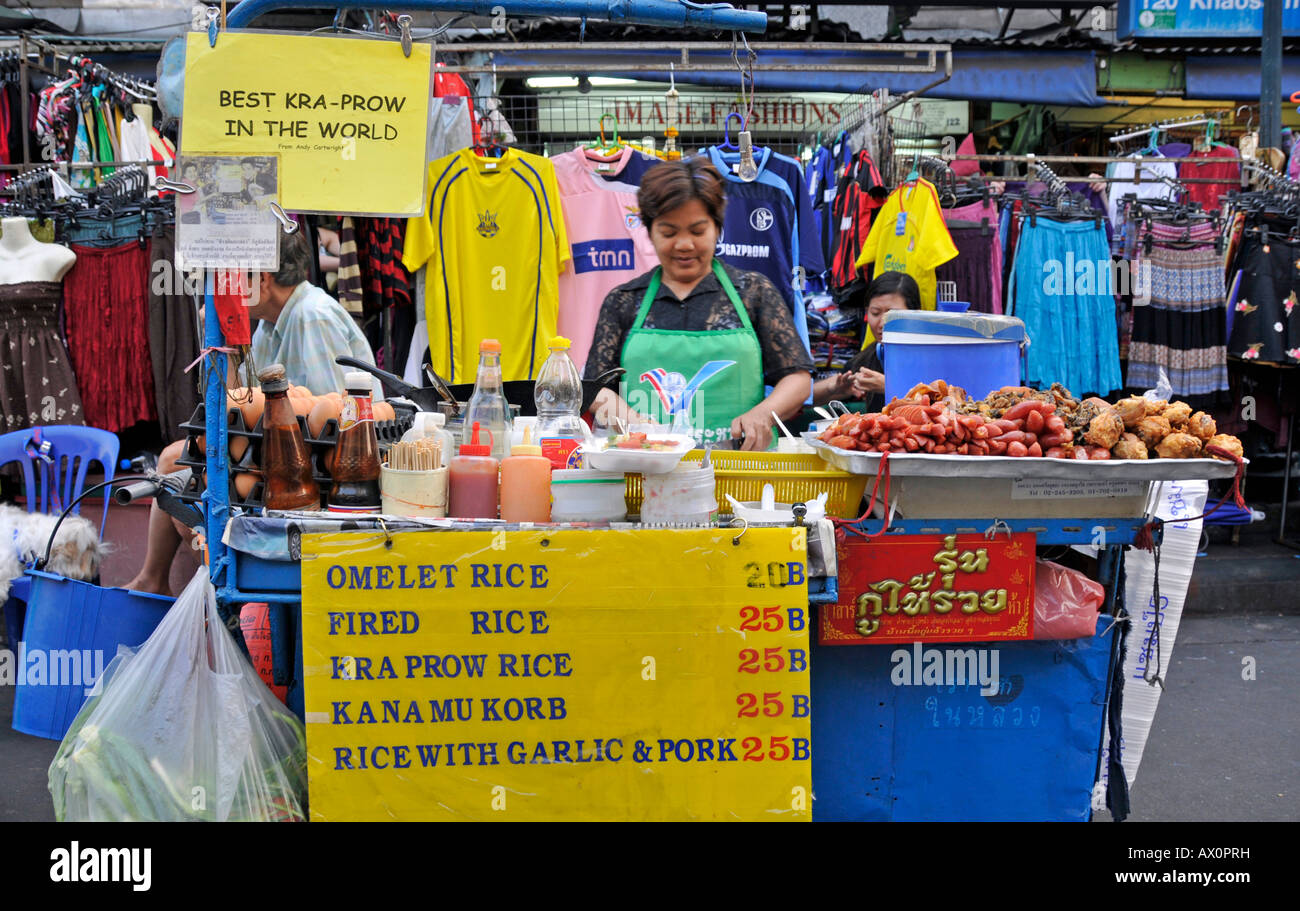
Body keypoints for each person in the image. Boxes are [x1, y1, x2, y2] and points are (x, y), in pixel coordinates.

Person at [126, 231, 375, 595]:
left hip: (321, 464)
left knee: (177, 466)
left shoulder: (311, 316)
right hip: (283, 450)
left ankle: (213, 586)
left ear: (262, 279)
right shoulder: (270, 325)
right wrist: (221, 343)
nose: (226, 287)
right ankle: (171, 581)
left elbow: (332, 416)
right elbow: (235, 407)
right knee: (177, 464)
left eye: (234, 277)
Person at [583, 158, 814, 451]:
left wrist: (762, 415)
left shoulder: (755, 292)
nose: (684, 244)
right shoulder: (623, 301)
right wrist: (635, 425)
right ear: (650, 232)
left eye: (697, 231)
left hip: (742, 470)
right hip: (646, 470)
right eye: (668, 232)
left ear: (717, 228)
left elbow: (797, 378)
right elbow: (595, 388)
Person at [813, 271, 921, 413]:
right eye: (875, 313)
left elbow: (947, 404)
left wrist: (888, 386)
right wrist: (833, 388)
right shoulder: (863, 361)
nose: (882, 323)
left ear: (916, 313)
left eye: (892, 314)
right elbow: (803, 400)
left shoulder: (931, 356)